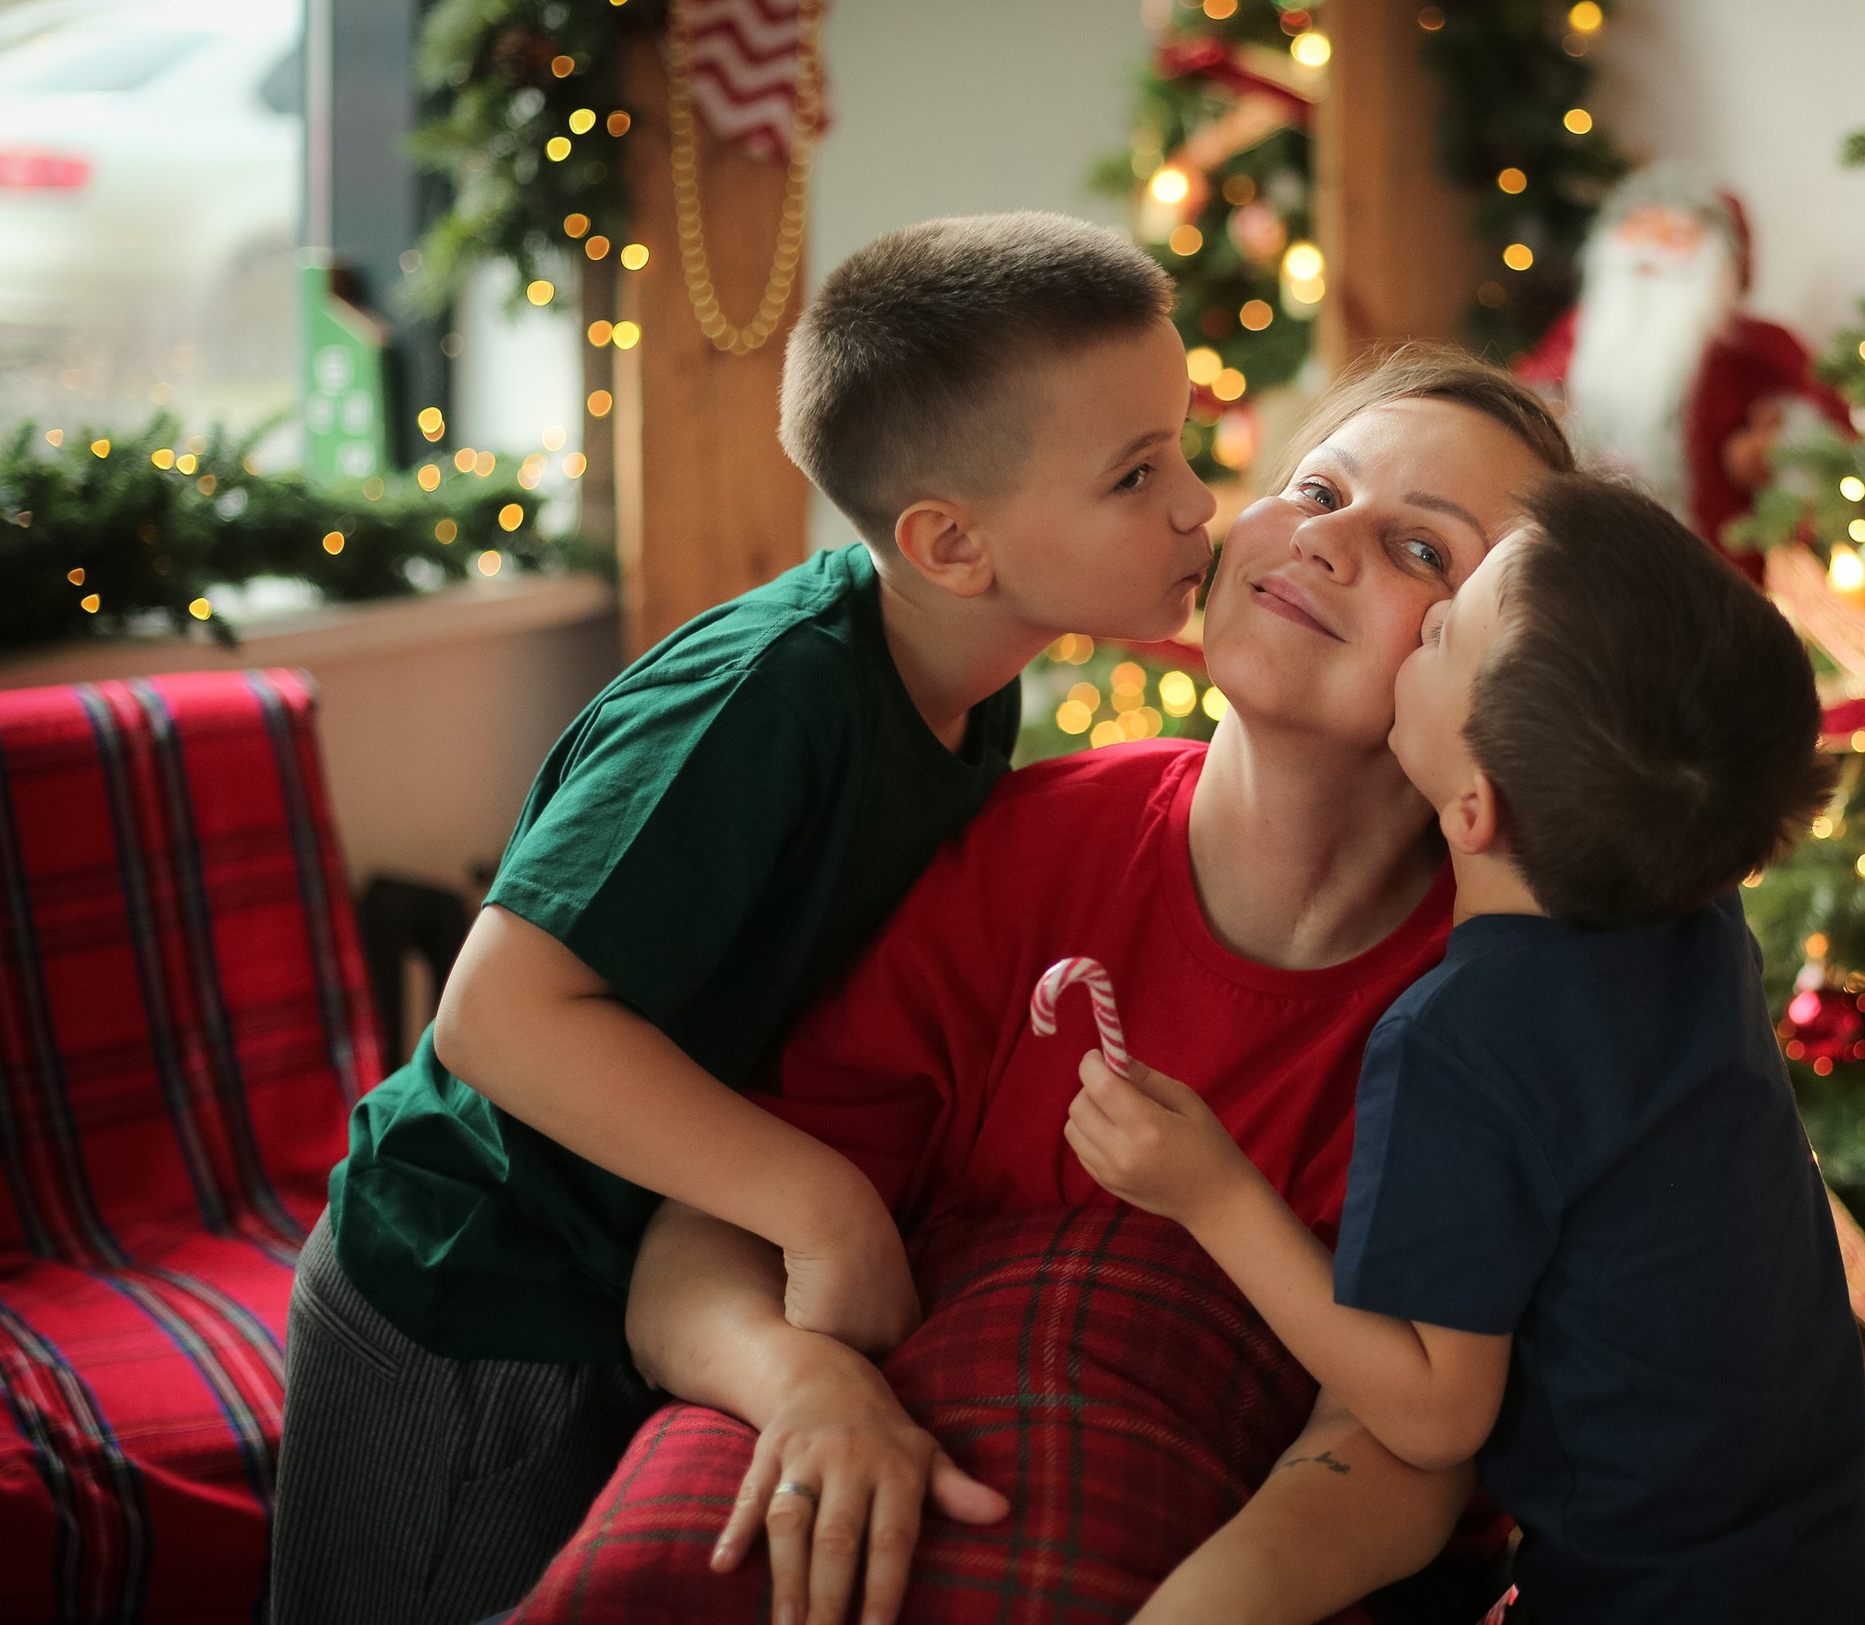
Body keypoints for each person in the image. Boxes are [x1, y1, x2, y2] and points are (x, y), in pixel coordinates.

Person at [268, 212, 1219, 1624]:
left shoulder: (967, 690)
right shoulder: (762, 701)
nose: (1199, 503)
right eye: (1138, 474)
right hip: (472, 1298)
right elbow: (497, 1012)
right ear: (951, 543)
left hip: (625, 1283)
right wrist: (819, 1199)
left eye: (1182, 447)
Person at [618, 346, 1576, 1625]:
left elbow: (1402, 1443)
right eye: (1318, 487)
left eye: (1423, 554)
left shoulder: (1484, 1006)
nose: (1329, 542)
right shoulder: (1027, 850)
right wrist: (796, 1382)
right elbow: (706, 1235)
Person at [1069, 474, 1865, 1623]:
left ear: (1472, 810)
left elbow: (1431, 1411)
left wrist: (1210, 1191)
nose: (1422, 618)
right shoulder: (1687, 910)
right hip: (1840, 1569)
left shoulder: (1461, 1042)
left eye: (1443, 631)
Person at [1516, 166, 1849, 574]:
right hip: (1589, 558)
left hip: (1716, 566)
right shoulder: (1579, 331)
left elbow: (1828, 439)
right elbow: (1527, 396)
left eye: (1675, 235)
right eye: (1637, 228)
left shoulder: (1760, 347)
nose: (1649, 249)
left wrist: (1776, 451)